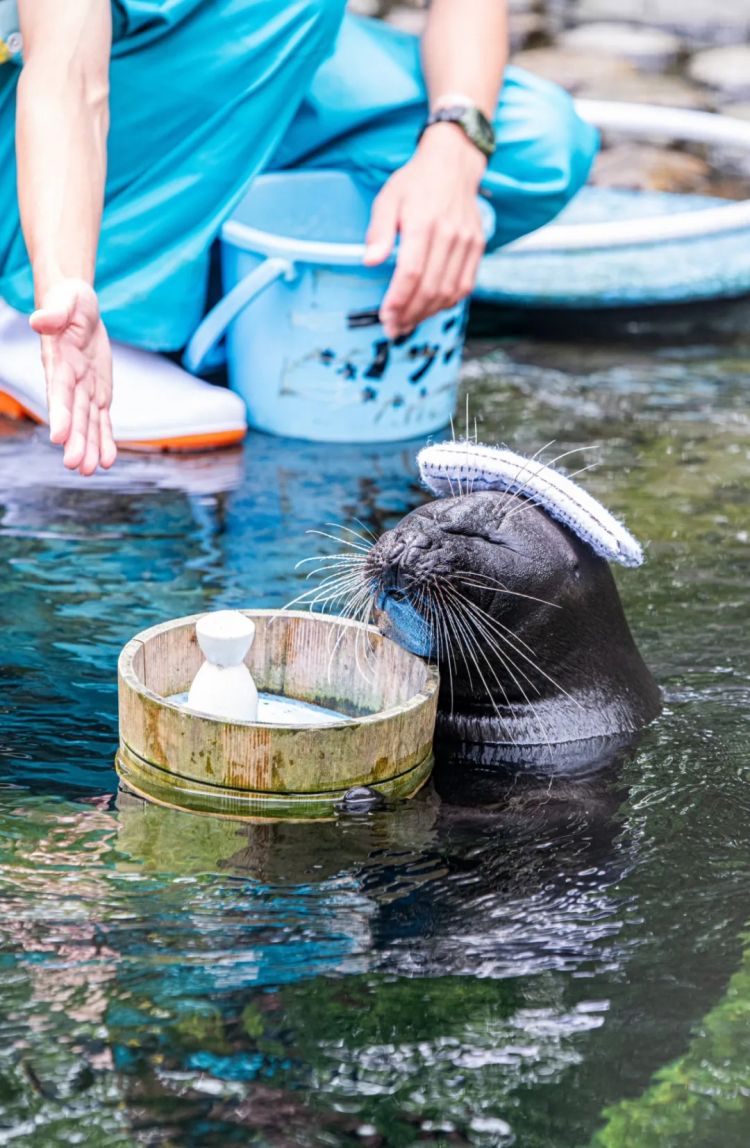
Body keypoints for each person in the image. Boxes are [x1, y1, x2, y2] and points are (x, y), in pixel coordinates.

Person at [0, 0, 597, 475]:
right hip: (36, 95)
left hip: (236, 55)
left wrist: (453, 147)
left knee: (534, 142)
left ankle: (197, 275)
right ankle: (52, 314)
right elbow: (67, 82)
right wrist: (62, 283)